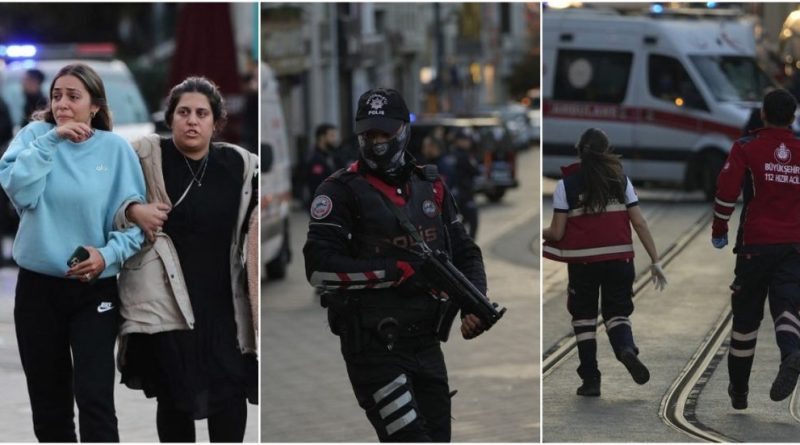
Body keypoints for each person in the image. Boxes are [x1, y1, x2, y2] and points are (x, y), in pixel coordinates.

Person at [304, 88, 489, 442]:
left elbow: (465, 250)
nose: (376, 141)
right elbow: (318, 268)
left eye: (384, 133)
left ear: (403, 130)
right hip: (374, 346)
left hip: (426, 342)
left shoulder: (430, 185)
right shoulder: (338, 191)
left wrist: (475, 300)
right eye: (369, 133)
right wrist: (397, 272)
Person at [0, 63, 146, 442]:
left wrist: (106, 256)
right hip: (38, 291)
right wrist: (51, 140)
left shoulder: (115, 150)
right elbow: (21, 193)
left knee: (95, 399)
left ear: (94, 106)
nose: (62, 103)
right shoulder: (34, 136)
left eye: (73, 96)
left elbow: (134, 226)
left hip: (94, 289)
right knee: (49, 405)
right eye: (56, 95)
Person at [115, 77, 258, 442]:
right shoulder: (145, 157)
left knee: (229, 396)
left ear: (215, 122)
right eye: (183, 112)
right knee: (175, 399)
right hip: (168, 308)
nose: (191, 120)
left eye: (201, 113)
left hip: (223, 307)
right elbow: (107, 208)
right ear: (170, 118)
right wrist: (135, 211)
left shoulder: (239, 165)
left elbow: (256, 223)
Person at [542, 127, 667, 397]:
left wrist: (542, 233)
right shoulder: (621, 180)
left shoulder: (566, 185)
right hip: (619, 260)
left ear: (579, 152)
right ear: (607, 152)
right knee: (617, 313)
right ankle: (625, 349)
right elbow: (640, 223)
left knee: (584, 318)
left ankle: (591, 380)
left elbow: (558, 232)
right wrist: (656, 260)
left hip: (583, 264)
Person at [712, 88, 800, 409]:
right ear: (792, 117)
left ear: (763, 114)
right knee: (788, 305)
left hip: (755, 246)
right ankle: (791, 353)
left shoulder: (746, 148)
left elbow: (726, 193)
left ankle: (739, 390)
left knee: (746, 318)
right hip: (794, 246)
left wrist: (719, 229)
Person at [448, 129, 480, 239]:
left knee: (469, 222)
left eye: (468, 140)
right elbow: (474, 170)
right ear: (457, 141)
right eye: (464, 140)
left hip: (465, 193)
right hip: (460, 195)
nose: (467, 142)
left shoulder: (465, 154)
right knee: (466, 222)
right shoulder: (457, 155)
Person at [304, 123, 341, 206]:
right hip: (321, 204)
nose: (335, 139)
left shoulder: (332, 155)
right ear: (322, 137)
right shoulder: (314, 158)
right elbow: (317, 185)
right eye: (332, 136)